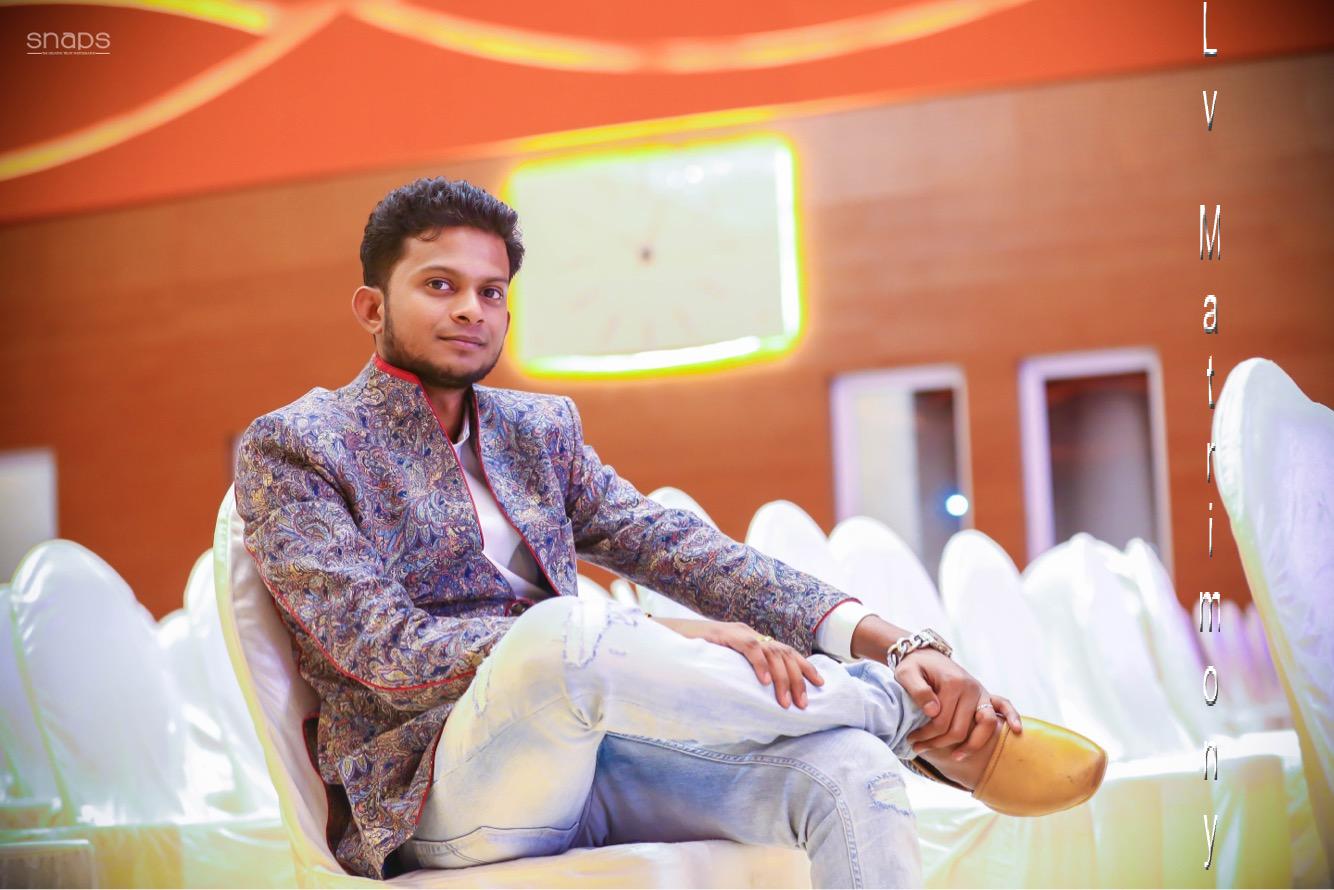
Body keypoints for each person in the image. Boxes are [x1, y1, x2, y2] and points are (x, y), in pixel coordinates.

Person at [234, 177, 1107, 887]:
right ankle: (904, 711)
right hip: (435, 793)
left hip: (594, 759)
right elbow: (384, 648)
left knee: (850, 768)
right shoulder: (299, 446)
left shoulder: (537, 432)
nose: (471, 309)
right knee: (565, 631)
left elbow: (684, 550)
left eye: (490, 292)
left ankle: (884, 722)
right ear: (371, 306)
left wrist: (893, 637)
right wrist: (651, 636)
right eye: (439, 286)